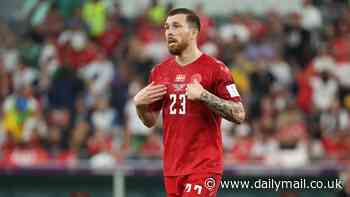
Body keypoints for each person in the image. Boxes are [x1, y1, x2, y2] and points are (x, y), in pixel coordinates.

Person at [134, 8, 245, 197]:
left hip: (204, 167)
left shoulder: (216, 69)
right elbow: (150, 121)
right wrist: (140, 105)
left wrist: (204, 96)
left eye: (176, 26)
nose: (169, 32)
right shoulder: (159, 72)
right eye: (167, 27)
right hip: (172, 168)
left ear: (194, 32)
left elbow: (239, 114)